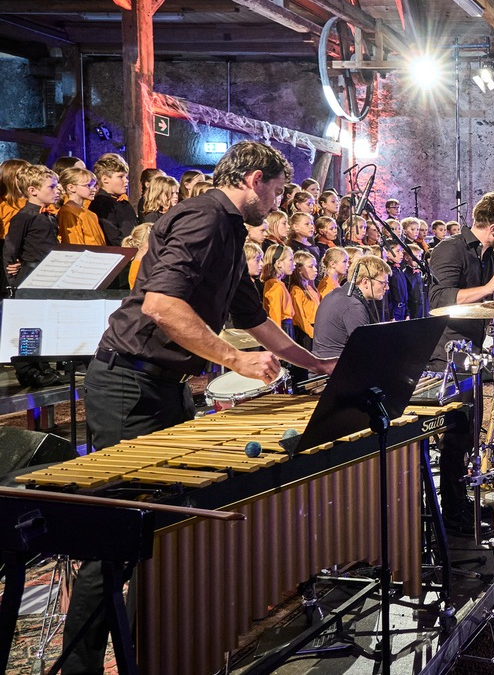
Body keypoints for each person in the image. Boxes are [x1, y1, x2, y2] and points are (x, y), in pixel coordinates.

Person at [66, 141, 335, 675]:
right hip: (128, 385)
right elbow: (163, 307)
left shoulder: (231, 231)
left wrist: (319, 367)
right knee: (119, 536)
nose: (279, 203)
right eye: (278, 190)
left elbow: (256, 319)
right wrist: (237, 359)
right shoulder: (205, 217)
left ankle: (148, 655)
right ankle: (79, 666)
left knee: (166, 535)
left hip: (164, 389)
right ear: (255, 178)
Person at [428, 191, 494, 534]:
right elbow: (441, 301)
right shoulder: (450, 249)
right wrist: (490, 284)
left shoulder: (486, 257)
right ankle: (451, 515)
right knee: (455, 436)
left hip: (472, 352)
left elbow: (488, 307)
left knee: (469, 434)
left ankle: (459, 502)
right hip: (445, 355)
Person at [312, 254, 389, 359]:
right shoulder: (353, 306)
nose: (387, 287)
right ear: (365, 282)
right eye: (383, 283)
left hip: (326, 365)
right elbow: (366, 349)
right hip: (334, 370)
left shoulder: (337, 294)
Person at [3, 164, 60, 285]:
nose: (57, 191)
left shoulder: (49, 215)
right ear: (32, 190)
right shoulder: (24, 217)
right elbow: (11, 249)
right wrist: (13, 282)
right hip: (32, 274)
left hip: (51, 273)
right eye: (51, 187)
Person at [88, 154, 136, 246]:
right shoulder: (101, 204)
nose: (126, 181)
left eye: (126, 177)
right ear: (105, 179)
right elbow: (113, 237)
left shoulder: (123, 202)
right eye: (120, 177)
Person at [55, 167, 105, 246]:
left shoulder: (90, 214)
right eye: (88, 185)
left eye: (94, 185)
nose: (94, 189)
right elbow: (74, 243)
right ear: (71, 187)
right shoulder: (68, 212)